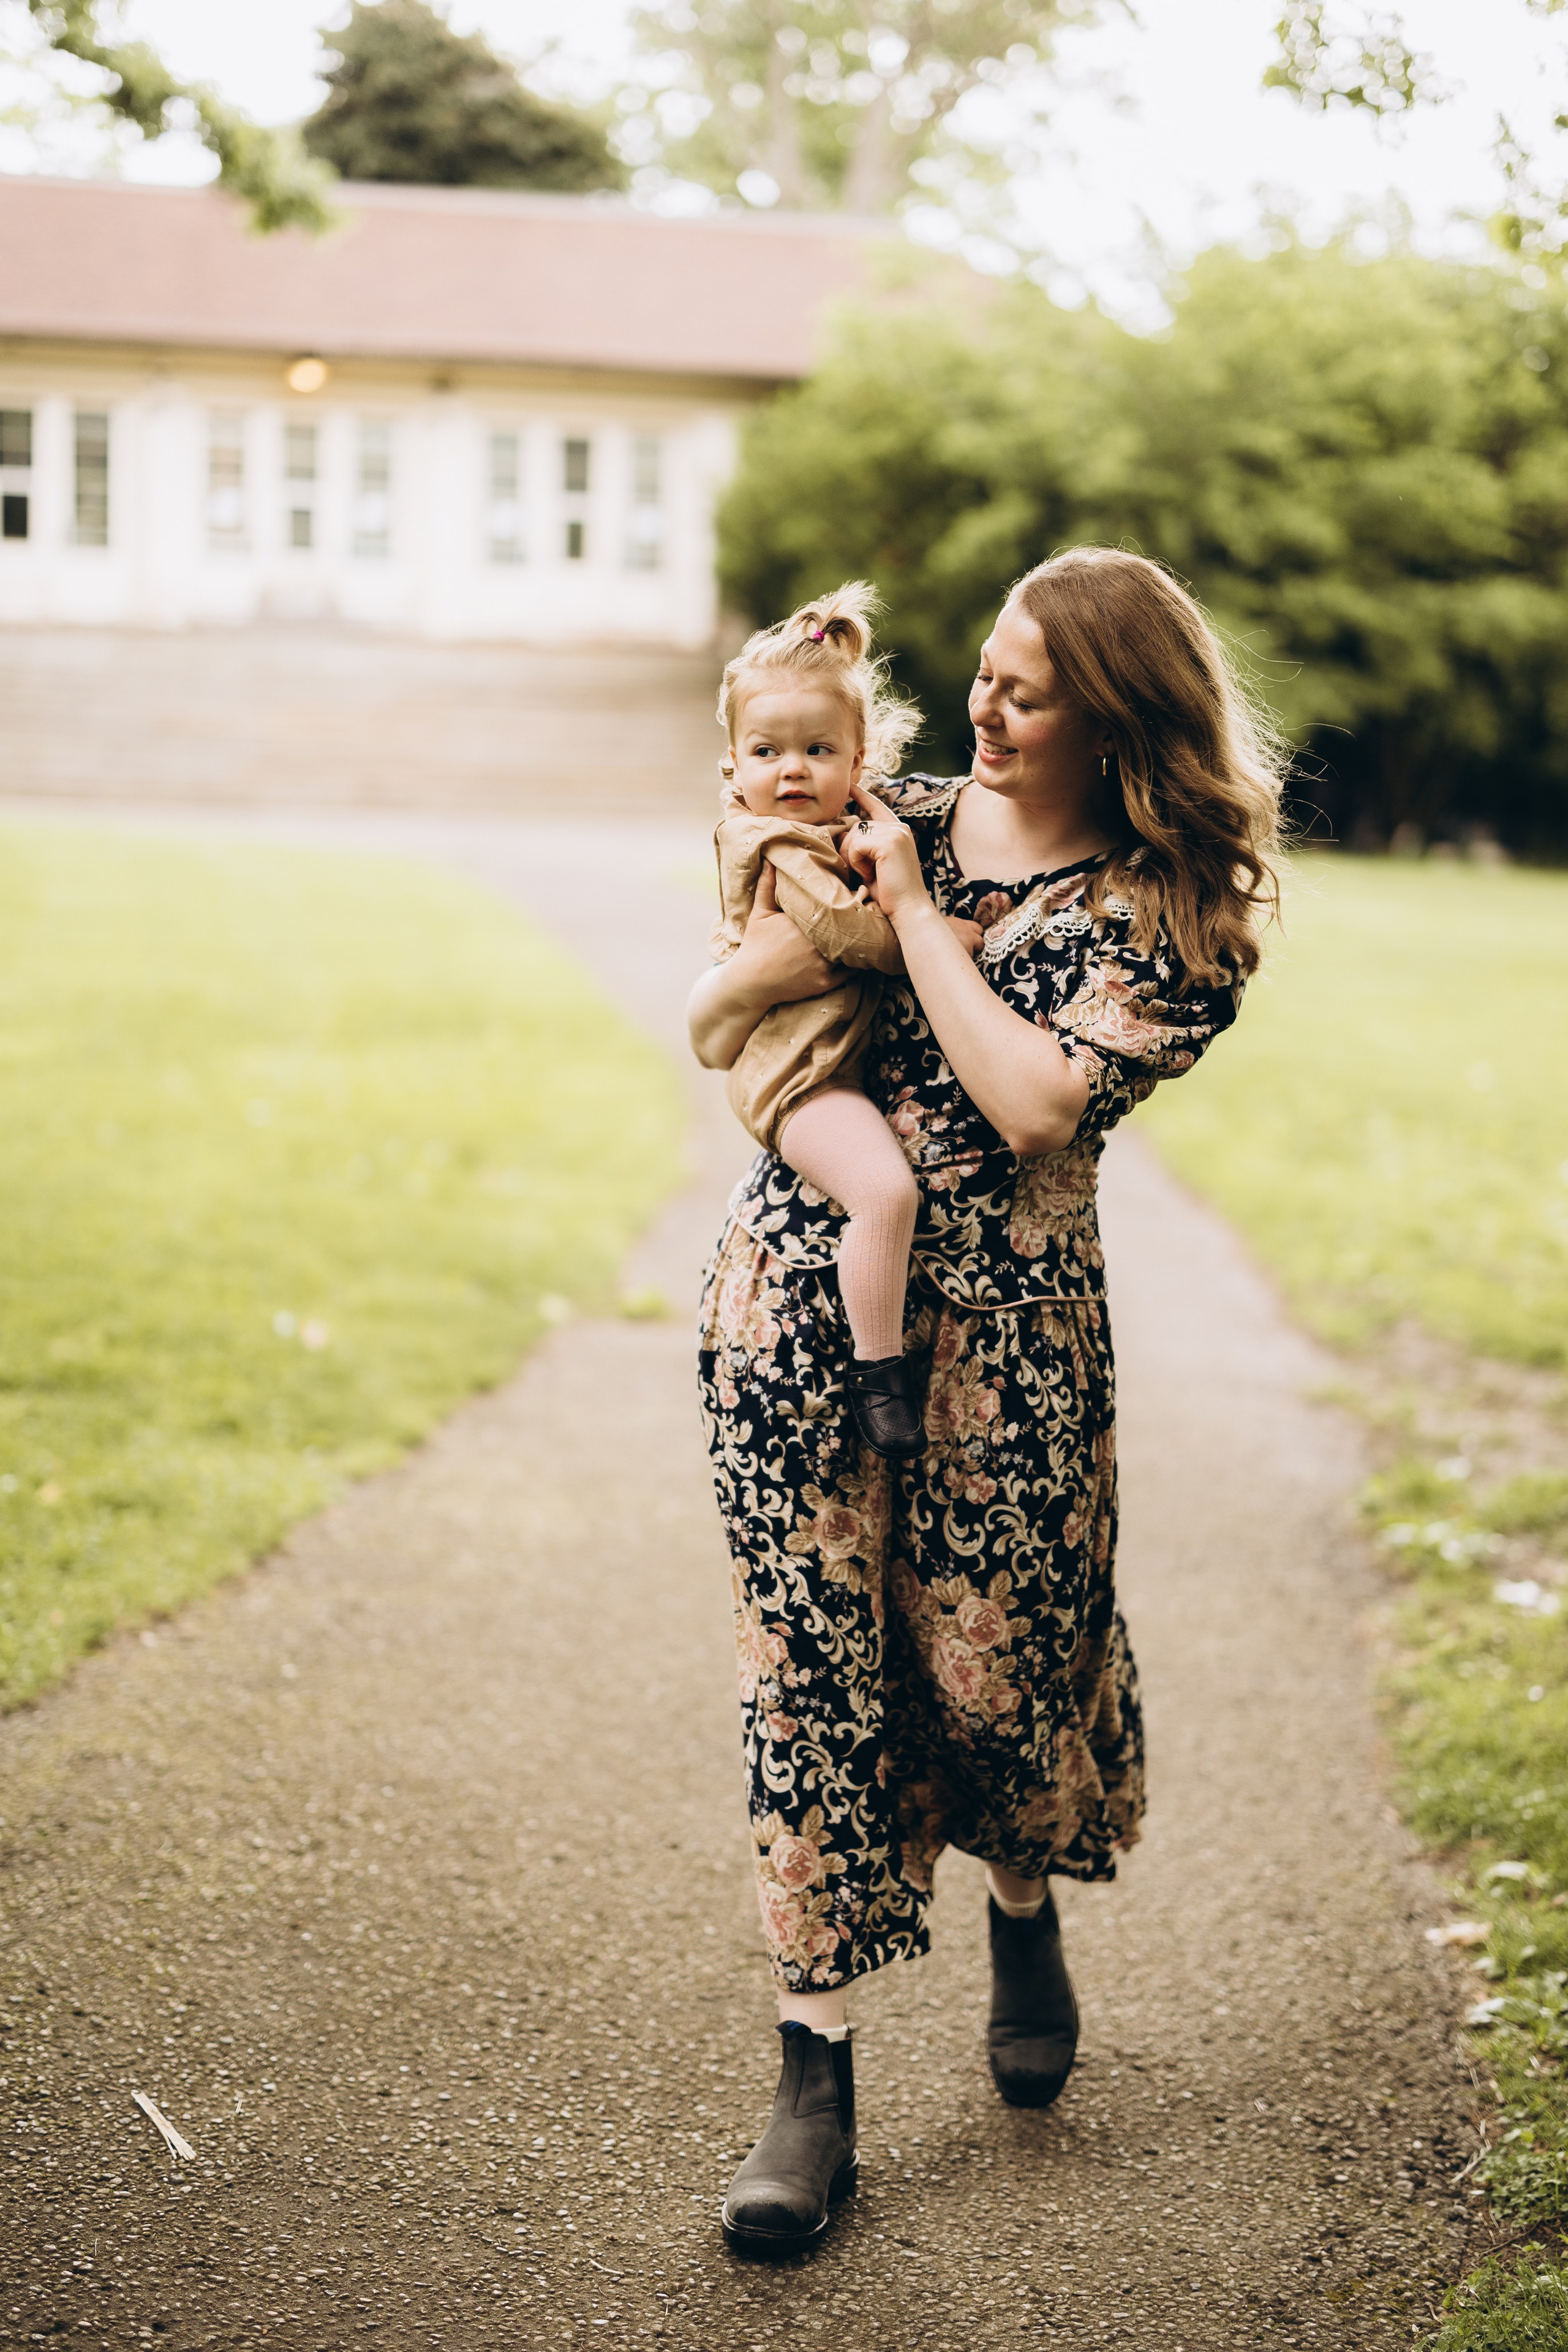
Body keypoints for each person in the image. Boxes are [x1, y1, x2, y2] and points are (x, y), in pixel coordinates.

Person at [688, 546, 1284, 2253]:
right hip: (801, 1303)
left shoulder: (1175, 916)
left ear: (1118, 715)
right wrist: (744, 977)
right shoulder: (897, 808)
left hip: (1014, 1350)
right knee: (809, 1673)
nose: (985, 704)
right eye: (988, 672)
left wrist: (919, 928)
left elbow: (1031, 1103)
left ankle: (1023, 1901)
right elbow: (746, 940)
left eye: (1030, 686)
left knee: (995, 1671)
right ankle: (815, 2072)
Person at [709, 581, 982, 1457]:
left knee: (883, 1185)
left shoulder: (849, 825)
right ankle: (879, 1373)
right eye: (766, 751)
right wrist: (944, 933)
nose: (791, 770)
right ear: (734, 768)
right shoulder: (777, 841)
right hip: (797, 1079)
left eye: (817, 749)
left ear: (860, 763)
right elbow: (842, 936)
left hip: (825, 1061)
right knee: (884, 1190)